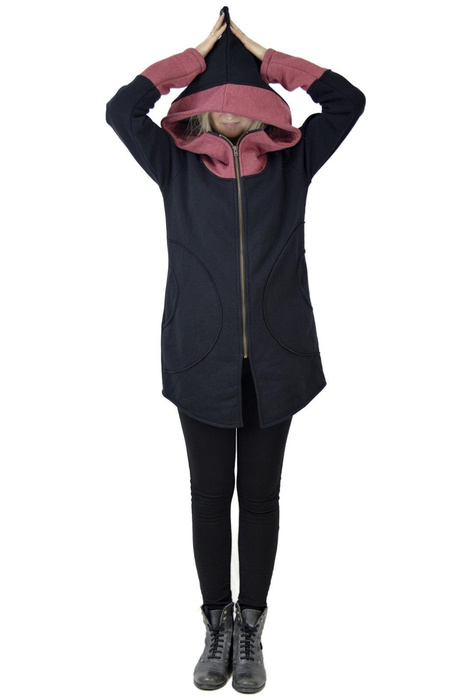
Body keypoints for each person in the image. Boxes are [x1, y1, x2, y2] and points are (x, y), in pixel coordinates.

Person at [105, 5, 365, 693]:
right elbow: (121, 110)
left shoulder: (293, 163)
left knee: (261, 497)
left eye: (245, 102)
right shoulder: (174, 166)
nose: (231, 116)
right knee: (207, 496)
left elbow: (348, 101)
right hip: (199, 355)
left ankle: (251, 625)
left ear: (263, 107)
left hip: (279, 357)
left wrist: (268, 56)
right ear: (195, 108)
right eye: (216, 102)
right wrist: (192, 58)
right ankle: (214, 623)